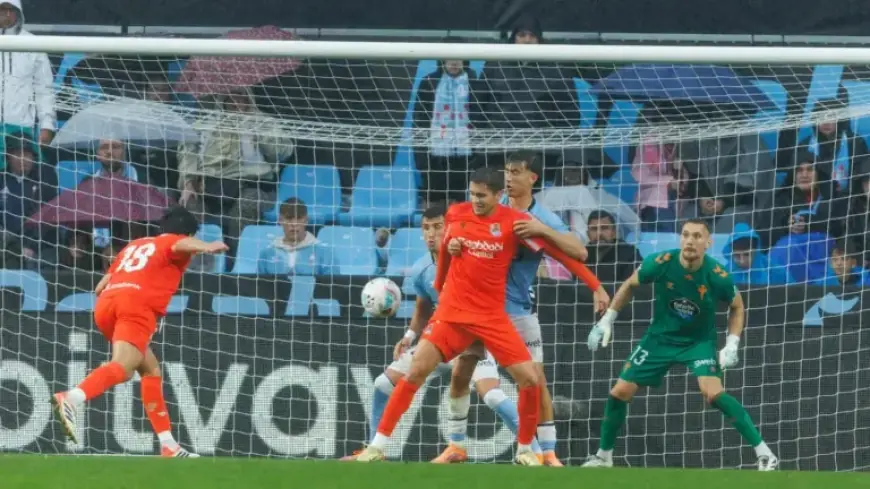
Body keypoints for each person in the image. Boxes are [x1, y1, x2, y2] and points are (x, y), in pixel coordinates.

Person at [355, 168, 603, 465]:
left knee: (529, 380)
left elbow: (560, 254)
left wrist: (595, 286)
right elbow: (445, 250)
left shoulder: (516, 223)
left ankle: (526, 450)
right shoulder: (457, 213)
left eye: (482, 196)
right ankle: (377, 447)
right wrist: (441, 282)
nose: (475, 201)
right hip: (453, 315)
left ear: (499, 195)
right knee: (416, 372)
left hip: (491, 318)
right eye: (472, 194)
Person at [432, 152, 607, 467]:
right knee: (463, 374)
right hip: (479, 310)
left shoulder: (541, 216)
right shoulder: (488, 205)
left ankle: (548, 453)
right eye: (506, 172)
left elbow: (578, 252)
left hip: (519, 311)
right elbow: (456, 235)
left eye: (515, 172)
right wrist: (454, 246)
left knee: (536, 381)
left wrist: (542, 230)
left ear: (532, 179)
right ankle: (456, 445)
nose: (509, 177)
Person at [341, 204, 544, 461]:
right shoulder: (420, 269)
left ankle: (535, 452)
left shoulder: (473, 254)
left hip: (477, 336)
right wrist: (408, 337)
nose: (431, 234)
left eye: (438, 227)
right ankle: (374, 448)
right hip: (441, 335)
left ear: (450, 227)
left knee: (491, 395)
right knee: (383, 383)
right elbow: (424, 306)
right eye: (426, 228)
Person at [583, 219, 778, 471]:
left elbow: (737, 306)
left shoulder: (717, 274)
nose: (690, 240)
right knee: (619, 392)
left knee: (713, 392)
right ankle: (603, 457)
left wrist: (732, 343)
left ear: (708, 243)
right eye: (686, 235)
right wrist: (607, 320)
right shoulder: (661, 261)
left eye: (697, 236)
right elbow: (630, 284)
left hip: (698, 342)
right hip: (659, 339)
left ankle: (765, 454)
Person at [50, 206, 229, 457]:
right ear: (187, 231)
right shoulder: (173, 241)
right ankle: (71, 398)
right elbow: (179, 244)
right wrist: (207, 246)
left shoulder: (135, 244)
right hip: (135, 307)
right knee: (122, 368)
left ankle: (168, 445)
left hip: (106, 306)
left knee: (150, 370)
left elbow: (100, 286)